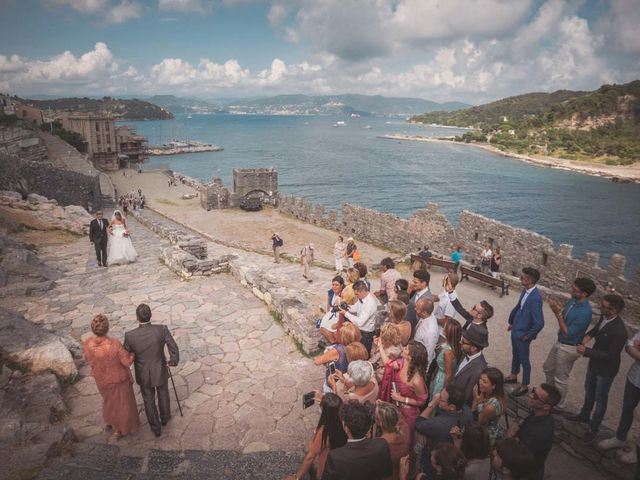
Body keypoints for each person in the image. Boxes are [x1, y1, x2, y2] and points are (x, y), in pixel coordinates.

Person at [568, 293, 628, 443]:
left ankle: (593, 428)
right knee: (589, 391)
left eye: (604, 306)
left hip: (606, 371)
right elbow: (596, 330)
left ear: (613, 310)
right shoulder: (604, 317)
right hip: (594, 364)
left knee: (600, 399)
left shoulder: (620, 332)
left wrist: (586, 351)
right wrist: (587, 337)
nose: (600, 307)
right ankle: (584, 415)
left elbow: (611, 355)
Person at [124, 303, 179, 437]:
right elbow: (173, 347)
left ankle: (155, 428)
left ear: (137, 317)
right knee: (163, 394)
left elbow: (125, 354)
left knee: (148, 400)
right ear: (151, 315)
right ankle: (165, 418)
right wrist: (172, 361)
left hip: (143, 373)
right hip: (160, 367)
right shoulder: (161, 329)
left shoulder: (130, 335)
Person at [542, 277, 596, 411]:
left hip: (568, 347)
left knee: (561, 378)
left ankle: (559, 406)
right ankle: (550, 396)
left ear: (584, 294)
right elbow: (565, 319)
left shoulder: (585, 312)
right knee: (548, 367)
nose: (572, 290)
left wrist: (557, 313)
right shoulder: (573, 301)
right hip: (560, 342)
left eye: (575, 289)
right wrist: (560, 310)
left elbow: (568, 333)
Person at [83, 314, 139, 439]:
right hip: (117, 380)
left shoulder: (88, 343)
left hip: (101, 380)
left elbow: (87, 358)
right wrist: (133, 355)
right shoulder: (114, 344)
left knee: (108, 402)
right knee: (122, 405)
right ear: (107, 328)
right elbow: (126, 362)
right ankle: (119, 430)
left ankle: (110, 422)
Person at [598, 327, 640, 464]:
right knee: (627, 409)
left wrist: (637, 350)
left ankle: (637, 451)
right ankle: (620, 438)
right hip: (634, 378)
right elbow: (629, 347)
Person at [321, 400, 392, 480]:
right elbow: (386, 473)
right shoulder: (382, 445)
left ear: (345, 427)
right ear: (369, 427)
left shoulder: (335, 457)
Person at [286, 393, 348, 480]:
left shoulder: (324, 432)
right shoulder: (344, 420)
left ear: (325, 411)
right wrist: (325, 401)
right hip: (340, 465)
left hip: (326, 469)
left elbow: (310, 457)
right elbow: (334, 408)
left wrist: (296, 477)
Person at [415, 383, 473, 474]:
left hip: (434, 461)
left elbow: (418, 423)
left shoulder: (439, 424)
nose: (437, 398)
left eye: (441, 399)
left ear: (452, 407)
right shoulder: (467, 411)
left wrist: (433, 404)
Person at [507, 383, 560, 480]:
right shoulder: (539, 414)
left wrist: (509, 436)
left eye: (535, 396)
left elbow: (519, 456)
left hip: (525, 472)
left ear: (546, 406)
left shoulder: (539, 433)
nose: (530, 396)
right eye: (533, 391)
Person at [505, 267, 544, 397]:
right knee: (515, 354)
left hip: (523, 335)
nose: (520, 279)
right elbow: (520, 308)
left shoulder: (535, 298)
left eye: (522, 277)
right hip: (516, 329)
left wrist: (529, 335)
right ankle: (513, 375)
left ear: (529, 280)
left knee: (524, 360)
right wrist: (512, 323)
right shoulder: (525, 291)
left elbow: (539, 322)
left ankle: (524, 385)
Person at [381, 341, 429, 436]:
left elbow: (421, 402)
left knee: (403, 436)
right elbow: (388, 363)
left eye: (406, 348)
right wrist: (380, 346)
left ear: (410, 357)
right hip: (396, 406)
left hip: (408, 414)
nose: (403, 348)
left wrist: (401, 399)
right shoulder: (402, 363)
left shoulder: (417, 381)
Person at [451, 326, 488, 406]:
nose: (460, 342)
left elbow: (467, 396)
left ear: (473, 348)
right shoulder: (466, 352)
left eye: (463, 342)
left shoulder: (478, 369)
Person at [339, 280, 379, 354]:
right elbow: (355, 308)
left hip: (366, 334)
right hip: (360, 331)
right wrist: (346, 306)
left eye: (356, 294)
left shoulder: (370, 304)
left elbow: (360, 322)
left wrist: (345, 313)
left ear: (362, 291)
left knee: (364, 354)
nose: (356, 296)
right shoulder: (362, 298)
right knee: (357, 352)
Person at [375, 401, 411, 480]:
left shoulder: (379, 445)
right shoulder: (405, 428)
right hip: (401, 473)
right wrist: (383, 406)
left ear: (379, 422)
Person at [472, 367, 506, 447]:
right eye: (480, 379)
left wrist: (475, 401)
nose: (480, 382)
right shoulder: (487, 392)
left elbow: (477, 422)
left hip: (484, 436)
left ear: (494, 386)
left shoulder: (490, 407)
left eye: (485, 382)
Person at [430, 319, 462, 399]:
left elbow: (448, 374)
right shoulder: (454, 345)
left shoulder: (448, 352)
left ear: (447, 332)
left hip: (441, 380)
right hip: (438, 375)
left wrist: (443, 391)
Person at [319, 276, 346, 345]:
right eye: (333, 284)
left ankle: (336, 346)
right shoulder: (331, 292)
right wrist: (327, 313)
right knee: (323, 327)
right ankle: (334, 344)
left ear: (341, 285)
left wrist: (338, 323)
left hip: (340, 315)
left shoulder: (343, 295)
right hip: (331, 313)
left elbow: (345, 311)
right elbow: (328, 304)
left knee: (335, 332)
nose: (334, 287)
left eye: (337, 285)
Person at [413, 298, 439, 368]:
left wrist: (423, 372)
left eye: (417, 308)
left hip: (419, 364)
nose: (415, 309)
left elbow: (428, 355)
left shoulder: (431, 332)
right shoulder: (426, 316)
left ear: (424, 313)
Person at [407, 270, 432, 334]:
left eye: (415, 282)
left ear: (423, 283)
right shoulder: (418, 291)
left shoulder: (427, 299)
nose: (412, 284)